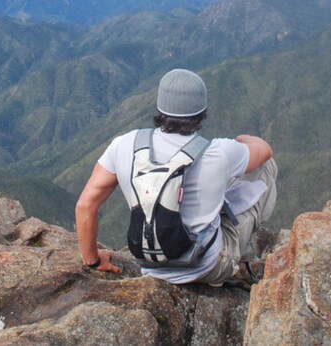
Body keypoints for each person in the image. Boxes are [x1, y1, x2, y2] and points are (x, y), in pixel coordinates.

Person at [76, 68, 277, 286]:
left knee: (224, 178)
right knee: (265, 168)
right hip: (207, 267)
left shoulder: (124, 144)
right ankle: (242, 258)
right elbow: (265, 151)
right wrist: (241, 140)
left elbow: (85, 206)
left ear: (160, 107)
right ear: (202, 111)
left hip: (150, 265)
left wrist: (93, 260)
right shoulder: (218, 152)